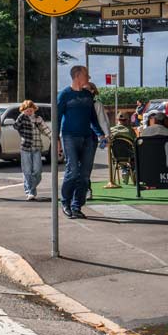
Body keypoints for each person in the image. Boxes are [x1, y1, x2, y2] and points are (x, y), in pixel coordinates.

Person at [58, 66, 105, 220]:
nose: (89, 77)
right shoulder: (64, 95)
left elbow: (93, 118)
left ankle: (77, 206)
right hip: (69, 136)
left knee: (85, 174)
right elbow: (57, 118)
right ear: (77, 76)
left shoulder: (87, 96)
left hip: (87, 138)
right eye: (86, 75)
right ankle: (65, 202)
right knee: (72, 170)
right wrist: (57, 140)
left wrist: (101, 134)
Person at [13, 100, 51, 201]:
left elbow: (45, 129)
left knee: (38, 171)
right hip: (25, 147)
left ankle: (31, 187)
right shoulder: (22, 118)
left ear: (34, 109)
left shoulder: (38, 119)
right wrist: (21, 116)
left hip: (37, 147)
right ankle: (30, 192)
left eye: (31, 110)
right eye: (27, 111)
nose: (29, 112)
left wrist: (53, 137)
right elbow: (15, 126)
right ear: (23, 111)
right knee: (27, 171)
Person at [110, 113, 137, 184]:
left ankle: (124, 169)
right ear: (127, 120)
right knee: (135, 153)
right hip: (129, 155)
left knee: (118, 153)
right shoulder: (130, 130)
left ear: (117, 120)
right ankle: (133, 170)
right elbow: (135, 142)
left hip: (115, 156)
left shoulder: (111, 130)